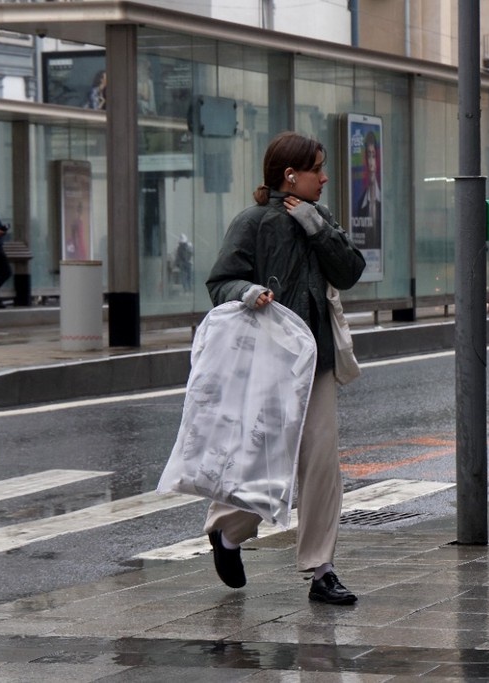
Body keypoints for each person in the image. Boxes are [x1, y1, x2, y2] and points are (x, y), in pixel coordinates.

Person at [204, 131, 366, 605]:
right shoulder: (253, 222)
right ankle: (229, 532)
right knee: (262, 459)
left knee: (321, 465)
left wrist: (318, 228)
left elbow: (349, 272)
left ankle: (322, 570)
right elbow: (221, 282)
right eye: (318, 168)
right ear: (290, 174)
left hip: (315, 362)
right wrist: (247, 293)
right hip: (268, 364)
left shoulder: (321, 219)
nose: (326, 177)